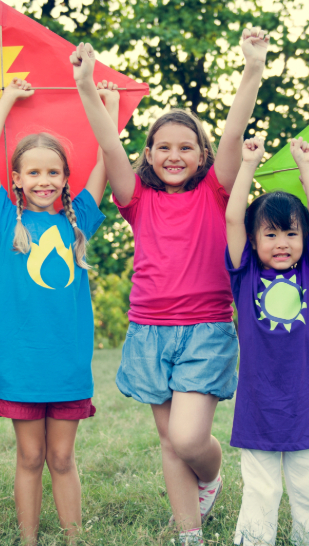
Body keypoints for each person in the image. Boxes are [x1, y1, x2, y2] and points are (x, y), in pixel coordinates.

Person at [104, 28, 269, 546]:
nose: (174, 155)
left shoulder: (216, 192)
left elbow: (233, 132)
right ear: (149, 154)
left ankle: (212, 475)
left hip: (205, 330)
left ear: (201, 155)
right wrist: (89, 90)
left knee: (188, 437)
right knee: (168, 440)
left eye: (186, 147)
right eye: (164, 147)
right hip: (149, 332)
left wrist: (252, 69)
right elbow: (108, 146)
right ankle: (189, 533)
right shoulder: (136, 199)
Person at [0, 70, 119, 544]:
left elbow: (106, 161)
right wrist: (6, 99)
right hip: (21, 365)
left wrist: (110, 109)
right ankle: (30, 540)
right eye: (33, 173)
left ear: (64, 179)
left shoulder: (78, 222)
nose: (44, 181)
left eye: (53, 172)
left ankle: (73, 539)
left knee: (61, 458)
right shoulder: (4, 220)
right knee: (30, 457)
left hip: (67, 364)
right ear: (16, 179)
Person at [224, 136, 309, 546]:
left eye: (291, 234)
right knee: (261, 490)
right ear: (254, 240)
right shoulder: (245, 275)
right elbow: (232, 219)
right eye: (271, 234)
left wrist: (306, 169)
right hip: (259, 401)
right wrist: (248, 164)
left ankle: (307, 540)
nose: (282, 243)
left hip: (308, 399)